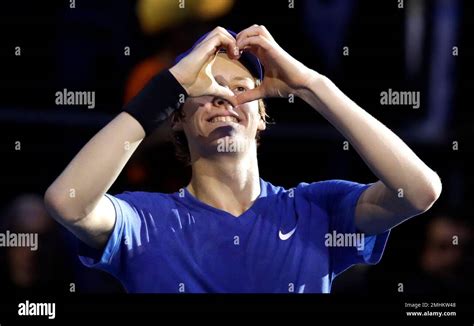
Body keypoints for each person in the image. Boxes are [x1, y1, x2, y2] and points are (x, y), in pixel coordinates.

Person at [44, 26, 442, 293]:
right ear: (178, 118)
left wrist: (311, 85)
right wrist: (165, 89)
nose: (224, 96)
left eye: (240, 88)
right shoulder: (144, 219)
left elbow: (420, 190)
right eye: (207, 87)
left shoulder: (318, 210)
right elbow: (69, 202)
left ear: (261, 118)